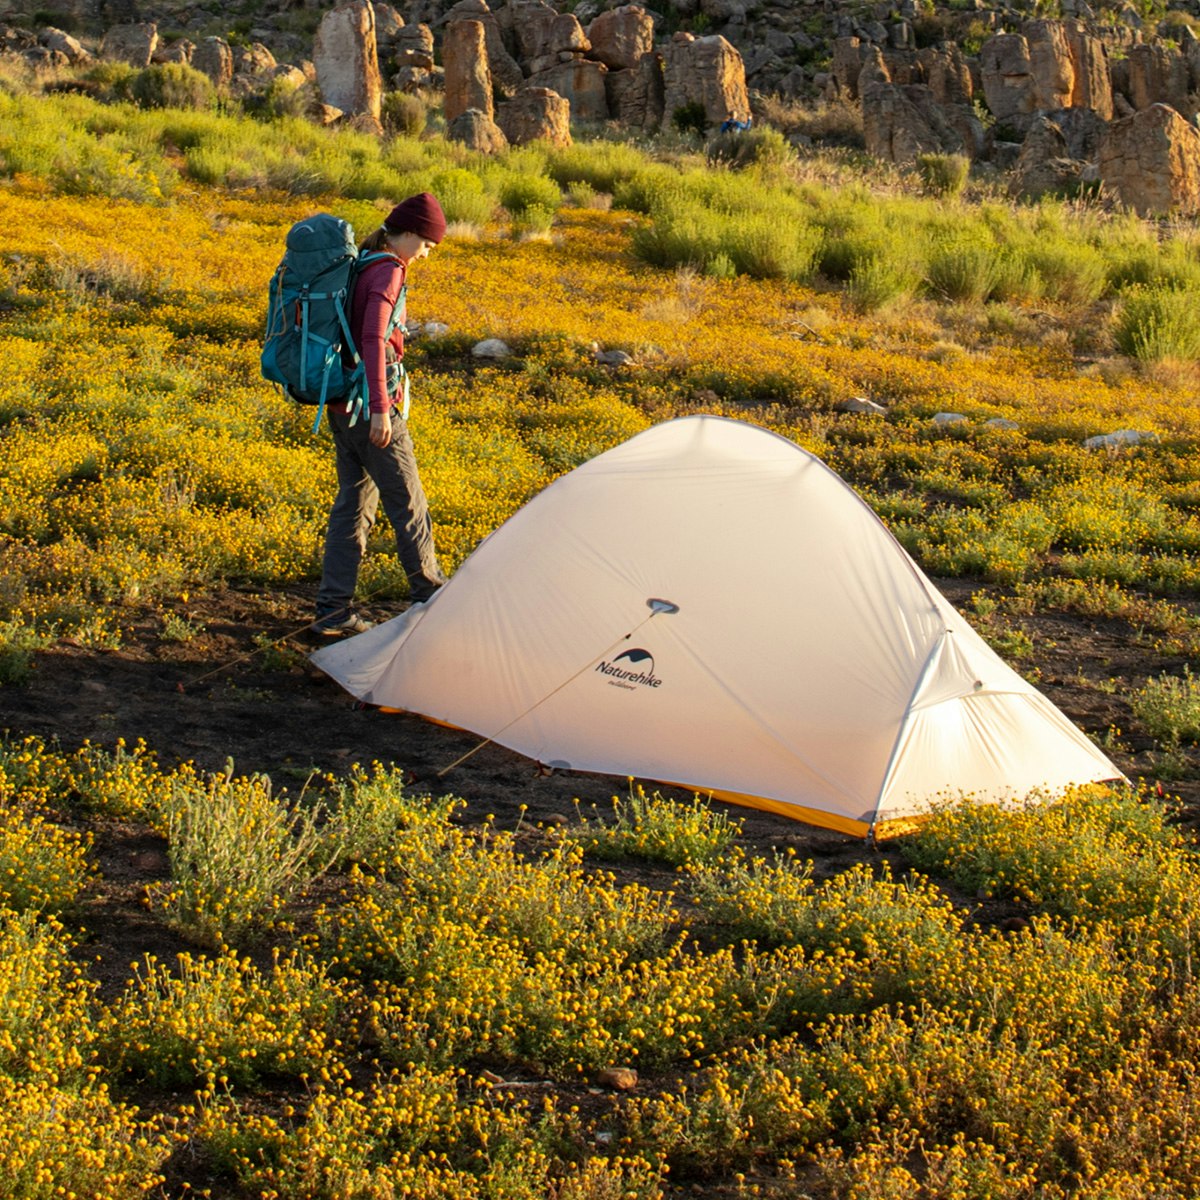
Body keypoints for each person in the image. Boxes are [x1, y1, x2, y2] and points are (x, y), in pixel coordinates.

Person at [312, 192, 449, 636]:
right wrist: (380, 411)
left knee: (353, 506)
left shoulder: (364, 261)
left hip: (340, 404)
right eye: (426, 244)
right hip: (369, 407)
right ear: (407, 233)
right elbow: (372, 338)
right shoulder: (388, 270)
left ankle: (333, 613)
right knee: (408, 500)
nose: (426, 254)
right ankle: (431, 600)